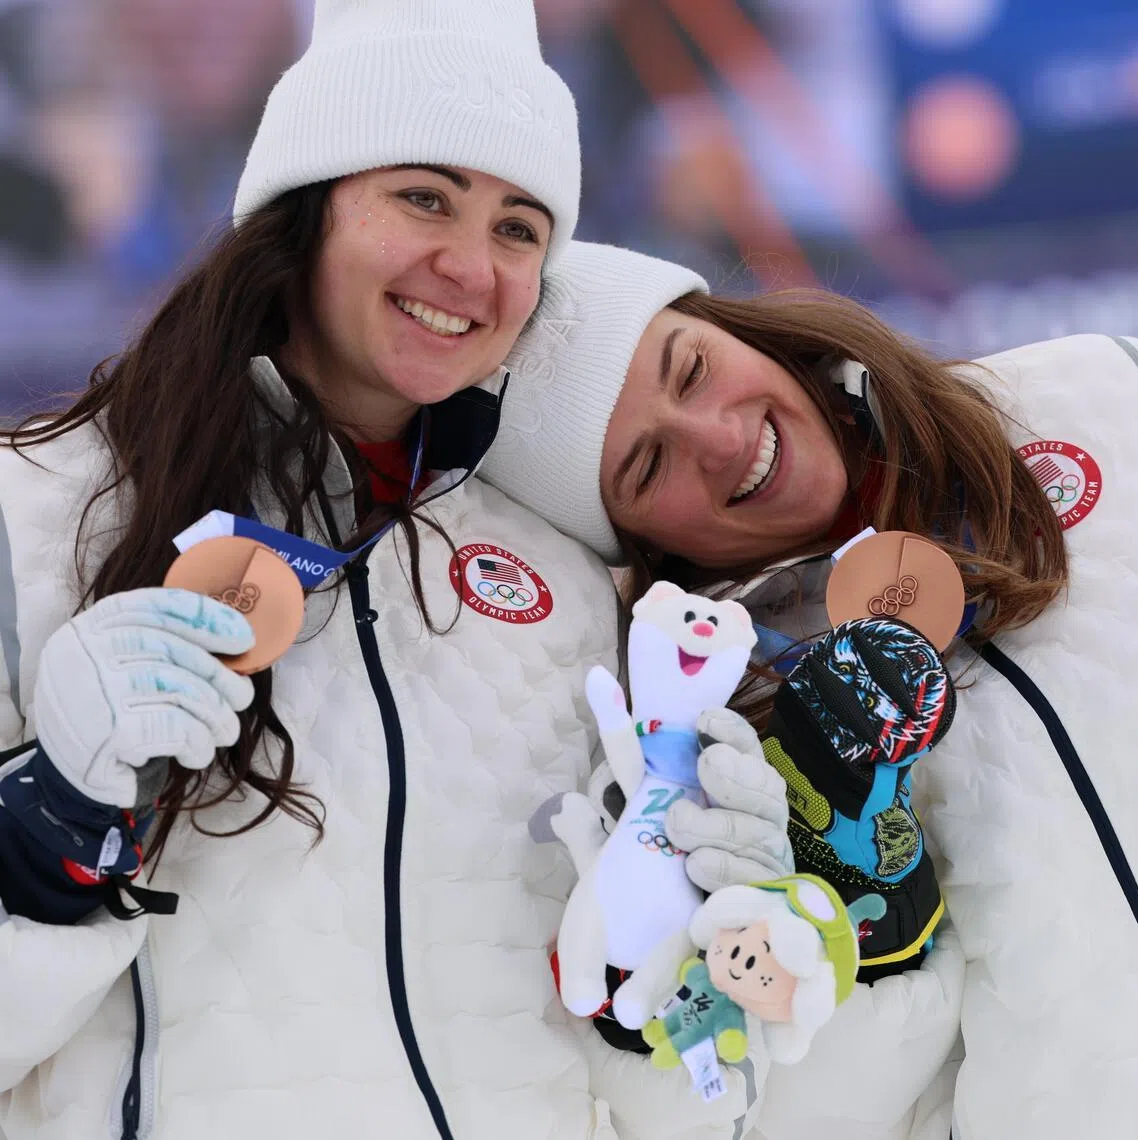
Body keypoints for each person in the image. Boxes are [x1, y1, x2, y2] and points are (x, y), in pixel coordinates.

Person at [0, 6, 800, 1137]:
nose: (470, 267)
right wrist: (46, 824)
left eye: (520, 228)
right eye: (424, 196)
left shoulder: (560, 585)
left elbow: (645, 1087)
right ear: (309, 207)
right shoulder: (33, 515)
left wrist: (691, 954)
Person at [483, 238, 1138, 1140]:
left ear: (737, 329)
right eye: (648, 466)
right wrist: (864, 899)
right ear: (636, 545)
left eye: (694, 368)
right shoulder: (724, 745)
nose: (720, 439)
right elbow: (835, 1105)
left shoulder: (1095, 391)